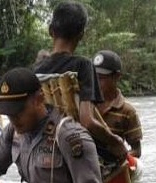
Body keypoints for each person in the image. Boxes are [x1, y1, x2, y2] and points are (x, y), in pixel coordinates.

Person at [33, 1, 127, 161]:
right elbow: (87, 121)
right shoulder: (83, 65)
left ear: (51, 31)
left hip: (44, 148)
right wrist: (115, 141)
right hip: (77, 149)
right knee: (131, 165)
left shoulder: (34, 71)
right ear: (81, 35)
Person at [93, 50, 143, 183]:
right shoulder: (87, 106)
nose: (98, 82)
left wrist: (117, 159)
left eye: (103, 78)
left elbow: (137, 150)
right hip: (93, 176)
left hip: (120, 177)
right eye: (94, 77)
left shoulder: (127, 111)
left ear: (117, 77)